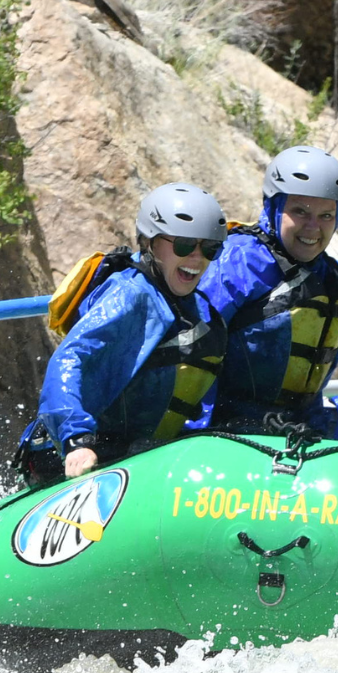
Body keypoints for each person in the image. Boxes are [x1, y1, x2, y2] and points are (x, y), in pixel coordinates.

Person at [17, 183, 231, 483]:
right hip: (75, 456)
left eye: (209, 248)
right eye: (184, 245)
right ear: (148, 242)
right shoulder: (129, 294)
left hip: (136, 458)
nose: (197, 258)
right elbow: (70, 359)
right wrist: (76, 441)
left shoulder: (193, 306)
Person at [197, 146, 338, 441]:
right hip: (222, 430)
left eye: (326, 215)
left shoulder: (333, 281)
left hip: (291, 430)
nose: (313, 228)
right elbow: (191, 360)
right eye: (300, 211)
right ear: (273, 207)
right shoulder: (235, 264)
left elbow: (313, 386)